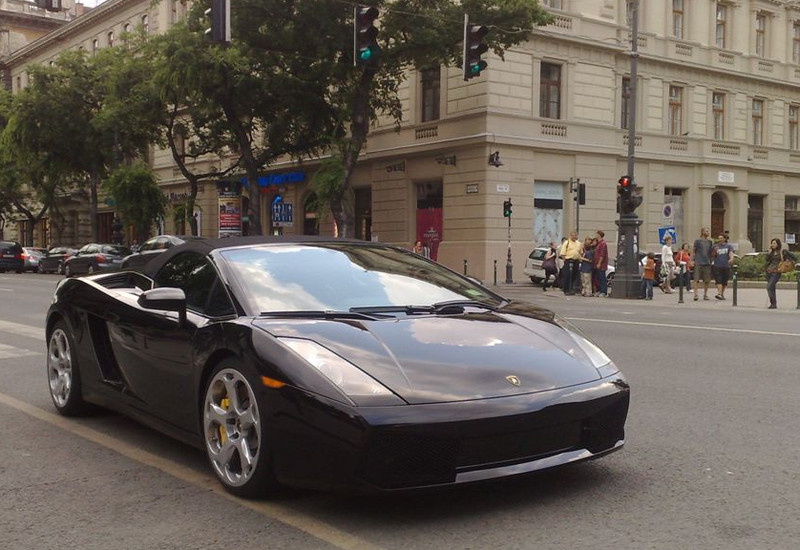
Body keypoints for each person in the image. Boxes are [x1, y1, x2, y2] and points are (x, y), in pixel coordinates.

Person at [764, 238, 797, 309]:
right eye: (772, 243)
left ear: (778, 244)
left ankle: (773, 303)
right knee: (771, 288)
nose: (773, 245)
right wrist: (769, 253)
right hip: (769, 271)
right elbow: (766, 260)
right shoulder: (771, 252)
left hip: (777, 272)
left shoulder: (783, 251)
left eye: (774, 243)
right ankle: (773, 304)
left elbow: (794, 257)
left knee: (769, 287)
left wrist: (790, 262)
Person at [692, 227, 713, 301]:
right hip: (698, 261)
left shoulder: (710, 241)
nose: (708, 232)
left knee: (707, 280)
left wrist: (711, 260)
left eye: (708, 231)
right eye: (706, 231)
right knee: (696, 279)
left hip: (707, 262)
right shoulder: (697, 241)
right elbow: (694, 251)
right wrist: (692, 260)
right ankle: (695, 294)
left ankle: (705, 294)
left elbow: (710, 252)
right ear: (702, 232)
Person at [711, 233, 734, 300]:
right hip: (717, 265)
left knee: (724, 281)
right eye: (719, 238)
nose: (720, 240)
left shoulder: (728, 246)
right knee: (719, 280)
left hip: (726, 266)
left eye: (721, 238)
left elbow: (731, 253)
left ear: (724, 239)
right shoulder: (715, 246)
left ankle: (721, 293)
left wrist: (731, 259)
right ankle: (719, 293)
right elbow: (712, 255)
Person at [559, 231, 583, 296]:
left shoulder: (579, 243)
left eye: (575, 235)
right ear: (570, 236)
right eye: (572, 235)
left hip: (576, 261)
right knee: (567, 275)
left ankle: (571, 289)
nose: (574, 237)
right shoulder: (567, 243)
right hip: (568, 260)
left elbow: (581, 252)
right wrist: (565, 260)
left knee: (574, 275)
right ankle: (566, 289)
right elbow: (562, 253)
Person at [593, 230, 609, 297]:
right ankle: (599, 290)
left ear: (599, 235)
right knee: (598, 278)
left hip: (601, 264)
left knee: (602, 277)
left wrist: (599, 263)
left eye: (597, 234)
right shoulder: (598, 243)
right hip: (596, 263)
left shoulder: (603, 244)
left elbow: (602, 254)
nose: (596, 235)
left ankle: (604, 291)